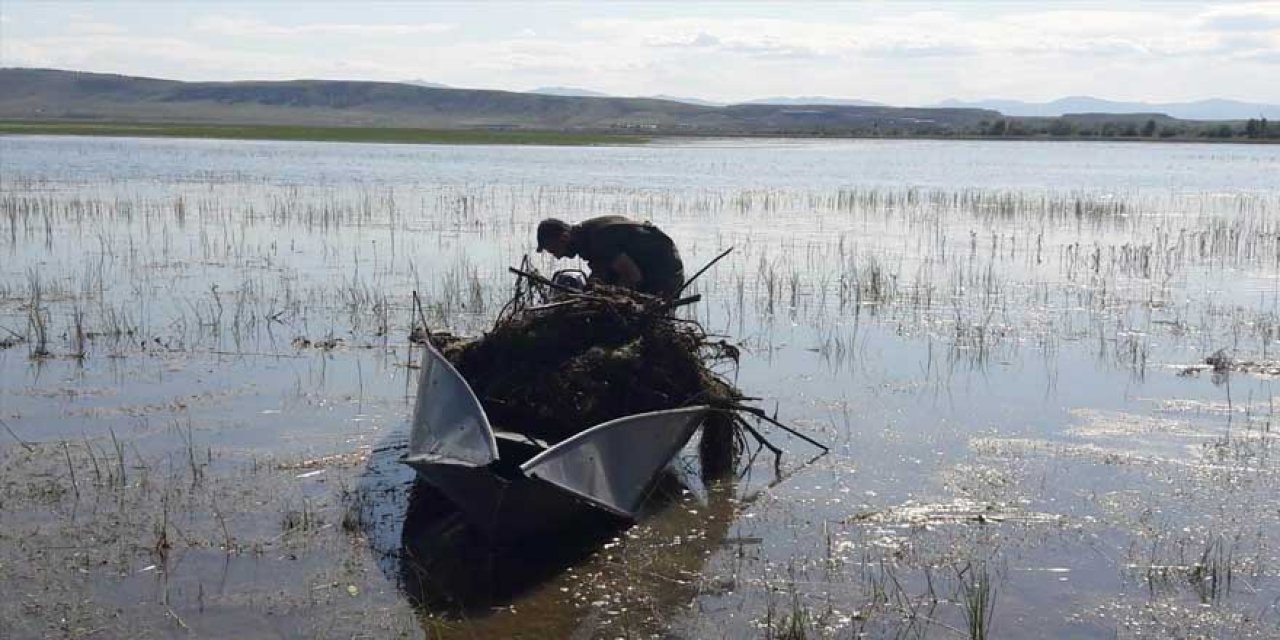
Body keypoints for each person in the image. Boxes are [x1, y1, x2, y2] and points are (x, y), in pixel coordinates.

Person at [536, 215, 685, 298]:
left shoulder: (598, 239)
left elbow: (633, 276)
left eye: (555, 249)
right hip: (648, 266)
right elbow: (603, 271)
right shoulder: (585, 238)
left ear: (564, 237)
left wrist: (609, 295)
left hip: (664, 272)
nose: (558, 257)